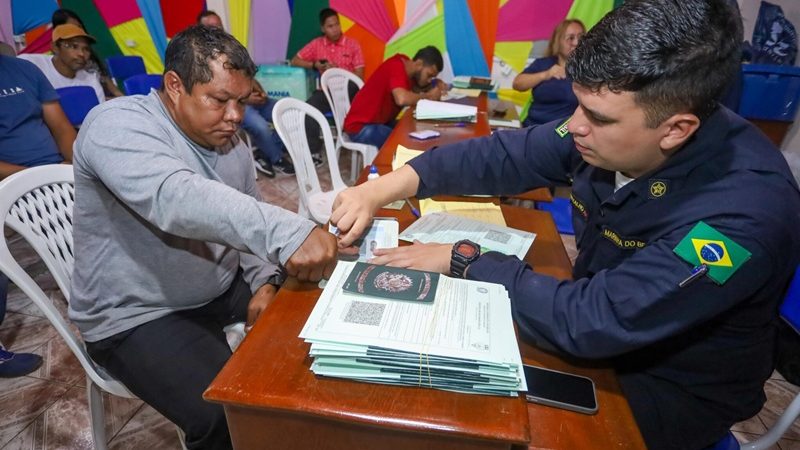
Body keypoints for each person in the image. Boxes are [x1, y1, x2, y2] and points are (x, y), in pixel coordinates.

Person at [330, 1, 800, 449]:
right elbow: (507, 154)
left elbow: (595, 319)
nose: (573, 126)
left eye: (595, 117)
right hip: (603, 327)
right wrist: (384, 188)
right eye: (577, 105)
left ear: (676, 129)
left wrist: (465, 259)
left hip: (668, 384)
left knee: (470, 414)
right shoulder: (612, 124)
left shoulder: (741, 217)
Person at [68, 25, 337, 449]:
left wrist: (266, 281)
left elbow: (244, 212)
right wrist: (288, 230)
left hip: (215, 285)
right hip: (137, 311)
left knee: (316, 321)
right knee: (225, 414)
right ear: (175, 86)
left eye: (241, 102)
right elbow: (174, 198)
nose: (235, 116)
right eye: (219, 100)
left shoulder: (232, 140)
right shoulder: (116, 125)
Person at [0, 42, 76, 377]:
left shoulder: (24, 71)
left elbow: (61, 129)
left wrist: (73, 170)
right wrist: (33, 179)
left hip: (53, 168)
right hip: (9, 177)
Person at [197, 10, 294, 177]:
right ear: (200, 31)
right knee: (261, 127)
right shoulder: (200, 59)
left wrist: (260, 92)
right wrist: (247, 98)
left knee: (288, 112)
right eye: (212, 28)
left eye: (219, 26)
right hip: (231, 106)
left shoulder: (231, 50)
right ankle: (276, 158)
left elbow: (248, 75)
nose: (218, 30)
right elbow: (215, 93)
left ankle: (263, 153)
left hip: (250, 97)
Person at [291, 8, 365, 160]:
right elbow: (294, 61)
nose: (335, 29)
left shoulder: (352, 45)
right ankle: (314, 151)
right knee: (308, 109)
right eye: (330, 26)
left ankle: (356, 140)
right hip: (326, 91)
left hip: (349, 90)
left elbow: (359, 77)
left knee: (357, 92)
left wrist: (339, 72)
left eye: (337, 24)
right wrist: (315, 65)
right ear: (323, 28)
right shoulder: (317, 44)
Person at [343, 46, 445, 149]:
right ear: (419, 64)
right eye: (429, 75)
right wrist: (429, 96)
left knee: (414, 130)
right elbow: (401, 99)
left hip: (381, 122)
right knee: (405, 142)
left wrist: (435, 83)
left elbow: (417, 90)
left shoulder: (409, 71)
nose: (429, 80)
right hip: (360, 127)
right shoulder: (396, 66)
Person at [512, 19, 585, 127]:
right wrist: (546, 74)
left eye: (581, 37)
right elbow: (517, 84)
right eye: (570, 38)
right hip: (531, 127)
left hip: (561, 135)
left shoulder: (586, 70)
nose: (576, 43)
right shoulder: (544, 64)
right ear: (558, 41)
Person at [18, 24, 105, 103]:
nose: (81, 54)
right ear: (55, 47)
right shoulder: (30, 63)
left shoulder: (91, 81)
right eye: (74, 46)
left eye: (86, 49)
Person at [51, 8, 123, 99]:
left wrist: (121, 99)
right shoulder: (48, 72)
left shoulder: (88, 60)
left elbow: (111, 87)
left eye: (79, 27)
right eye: (73, 46)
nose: (81, 53)